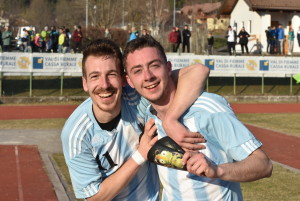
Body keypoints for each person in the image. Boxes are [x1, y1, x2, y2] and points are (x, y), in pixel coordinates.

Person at [124, 36, 273, 201]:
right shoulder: (148, 113)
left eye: (154, 66)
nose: (148, 76)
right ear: (129, 81)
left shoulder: (207, 109)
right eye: (137, 70)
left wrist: (216, 170)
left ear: (168, 68)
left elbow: (263, 165)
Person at [61, 38, 210, 201]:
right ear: (85, 83)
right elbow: (93, 198)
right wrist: (140, 155)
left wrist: (170, 120)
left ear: (124, 79)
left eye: (111, 75)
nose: (104, 85)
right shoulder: (76, 133)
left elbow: (199, 71)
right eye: (95, 76)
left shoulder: (137, 97)